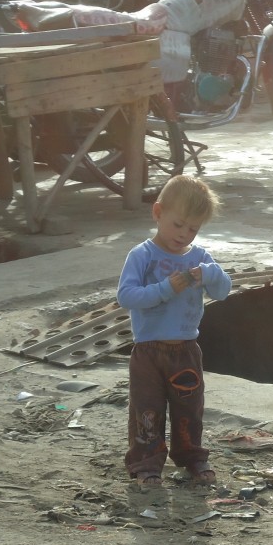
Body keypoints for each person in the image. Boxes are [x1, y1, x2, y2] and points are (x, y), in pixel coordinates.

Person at [117, 174, 232, 488]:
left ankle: (193, 457)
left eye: (193, 229)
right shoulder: (143, 255)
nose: (184, 235)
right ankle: (146, 463)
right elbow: (126, 296)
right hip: (148, 351)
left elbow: (223, 290)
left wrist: (210, 273)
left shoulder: (198, 257)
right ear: (158, 213)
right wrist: (166, 288)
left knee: (189, 409)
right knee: (147, 410)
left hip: (185, 349)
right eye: (178, 224)